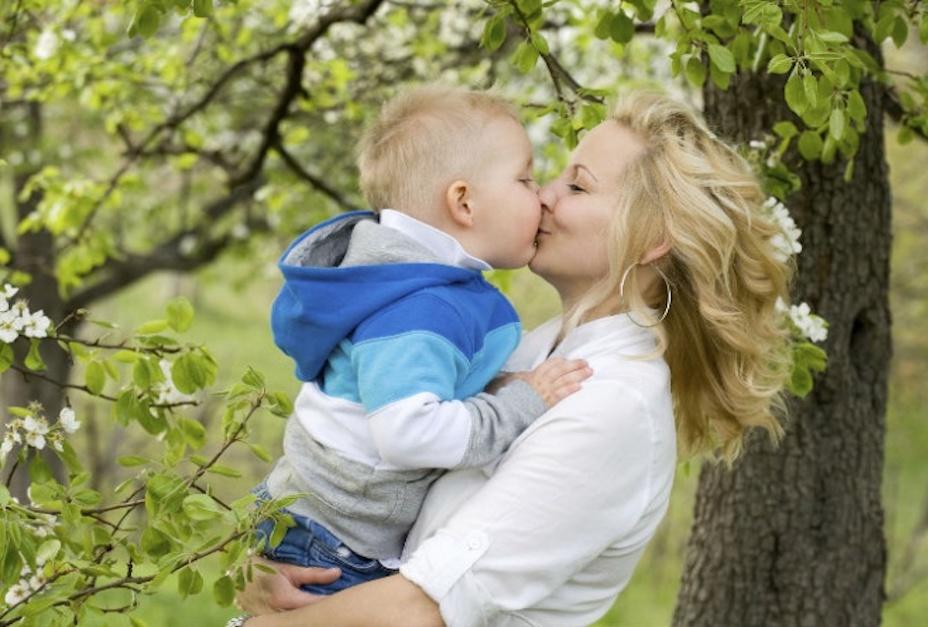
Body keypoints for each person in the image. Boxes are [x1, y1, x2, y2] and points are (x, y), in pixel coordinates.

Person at [233, 90, 793, 626]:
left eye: (577, 186)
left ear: (651, 239)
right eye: (544, 177)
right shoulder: (537, 349)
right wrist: (269, 559)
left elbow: (425, 609)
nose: (544, 195)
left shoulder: (615, 408)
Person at [253, 85, 593, 595]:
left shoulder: (410, 281)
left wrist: (494, 383)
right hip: (332, 544)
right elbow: (408, 433)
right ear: (464, 202)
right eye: (524, 178)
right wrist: (522, 402)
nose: (541, 193)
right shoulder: (420, 309)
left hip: (321, 523)